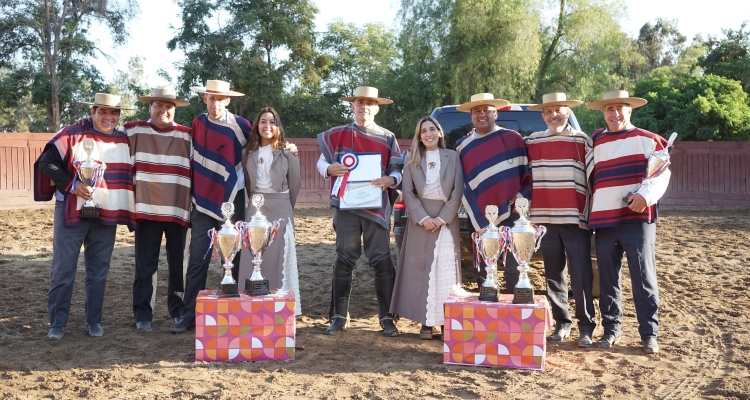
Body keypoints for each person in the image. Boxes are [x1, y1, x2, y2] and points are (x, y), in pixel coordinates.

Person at [34, 93, 135, 339]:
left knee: (99, 271)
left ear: (119, 116)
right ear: (92, 111)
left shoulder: (124, 139)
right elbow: (46, 162)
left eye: (113, 113)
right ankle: (57, 324)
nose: (108, 117)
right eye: (102, 111)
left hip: (106, 214)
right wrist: (71, 184)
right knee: (63, 270)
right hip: (72, 213)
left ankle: (93, 322)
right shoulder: (73, 134)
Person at [585, 90, 671, 354]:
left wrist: (645, 196)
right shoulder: (595, 141)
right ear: (603, 113)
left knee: (643, 277)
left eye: (620, 108)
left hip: (637, 219)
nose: (615, 113)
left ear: (630, 110)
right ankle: (611, 330)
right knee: (608, 278)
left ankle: (649, 333)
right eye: (609, 109)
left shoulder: (649, 140)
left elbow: (662, 175)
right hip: (604, 220)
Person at [316, 86, 403, 337]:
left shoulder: (388, 137)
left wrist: (391, 180)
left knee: (381, 260)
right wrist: (328, 169)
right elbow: (322, 160)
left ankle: (387, 317)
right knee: (344, 258)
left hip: (376, 207)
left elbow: (397, 169)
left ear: (376, 108)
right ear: (352, 106)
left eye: (368, 103)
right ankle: (339, 316)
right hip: (347, 206)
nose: (363, 106)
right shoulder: (339, 133)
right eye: (359, 102)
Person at [170, 80, 251, 333]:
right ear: (204, 99)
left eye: (220, 99)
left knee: (233, 257)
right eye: (210, 98)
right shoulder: (198, 122)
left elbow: (260, 146)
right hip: (202, 200)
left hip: (231, 198)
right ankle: (189, 314)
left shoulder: (241, 125)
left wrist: (287, 147)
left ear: (228, 100)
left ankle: (233, 309)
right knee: (197, 258)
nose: (215, 103)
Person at [525, 93, 596, 347]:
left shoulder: (582, 141)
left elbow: (593, 180)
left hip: (575, 218)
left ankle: (586, 326)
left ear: (568, 112)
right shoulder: (532, 142)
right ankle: (562, 323)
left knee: (581, 274)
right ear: (542, 115)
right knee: (553, 273)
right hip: (544, 218)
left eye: (558, 110)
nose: (553, 115)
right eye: (548, 111)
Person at [390, 116, 463, 340]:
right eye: (423, 131)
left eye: (432, 129)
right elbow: (408, 193)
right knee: (421, 272)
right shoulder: (412, 159)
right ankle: (426, 323)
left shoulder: (453, 156)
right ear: (419, 136)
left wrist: (442, 218)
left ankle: (446, 322)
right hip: (420, 220)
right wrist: (423, 218)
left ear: (440, 132)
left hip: (446, 220)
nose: (428, 134)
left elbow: (458, 189)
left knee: (446, 271)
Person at [125, 89, 192, 332]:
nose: (163, 111)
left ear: (175, 109)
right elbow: (106, 134)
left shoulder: (187, 135)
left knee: (179, 267)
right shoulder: (133, 130)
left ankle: (179, 312)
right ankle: (143, 315)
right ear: (149, 107)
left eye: (168, 106)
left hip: (178, 209)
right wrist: (84, 122)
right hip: (146, 209)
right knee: (145, 266)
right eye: (158, 106)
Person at [454, 93, 532, 293]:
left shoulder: (513, 138)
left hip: (512, 210)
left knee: (514, 264)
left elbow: (528, 173)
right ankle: (488, 303)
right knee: (484, 265)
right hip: (479, 212)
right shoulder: (462, 146)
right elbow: (461, 181)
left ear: (496, 114)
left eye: (487, 110)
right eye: (476, 111)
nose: (482, 115)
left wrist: (522, 197)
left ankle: (515, 305)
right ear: (471, 116)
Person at [238, 107, 301, 315]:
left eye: (272, 122)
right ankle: (251, 304)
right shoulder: (247, 152)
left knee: (277, 256)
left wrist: (285, 209)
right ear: (257, 125)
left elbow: (295, 184)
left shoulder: (287, 152)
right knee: (253, 255)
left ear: (277, 126)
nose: (267, 126)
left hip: (281, 206)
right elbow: (249, 184)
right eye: (263, 121)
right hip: (256, 207)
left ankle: (279, 305)